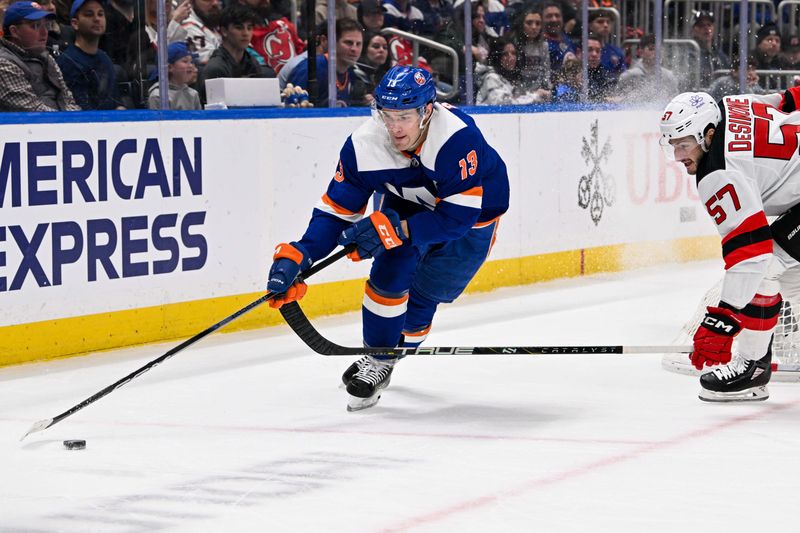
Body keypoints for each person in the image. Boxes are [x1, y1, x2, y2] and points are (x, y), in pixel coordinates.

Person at [266, 65, 509, 411]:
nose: (395, 128)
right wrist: (300, 255)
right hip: (406, 200)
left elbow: (456, 219)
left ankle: (395, 349)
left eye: (405, 117)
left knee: (428, 294)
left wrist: (398, 230)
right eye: (387, 115)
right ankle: (379, 358)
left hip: (474, 217)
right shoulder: (362, 146)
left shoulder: (456, 138)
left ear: (427, 111)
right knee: (390, 268)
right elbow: (336, 212)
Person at [658, 88, 800, 402]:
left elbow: (751, 253)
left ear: (708, 134)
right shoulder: (732, 104)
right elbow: (789, 99)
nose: (679, 156)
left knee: (767, 269)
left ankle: (751, 366)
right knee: (791, 280)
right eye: (673, 146)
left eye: (685, 145)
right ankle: (755, 366)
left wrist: (722, 319)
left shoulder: (719, 172)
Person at [0, 1, 80, 111]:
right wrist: (71, 121)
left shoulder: (47, 58)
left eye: (46, 25)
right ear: (14, 31)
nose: (44, 32)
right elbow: (34, 111)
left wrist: (76, 119)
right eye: (35, 26)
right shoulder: (3, 64)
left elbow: (67, 99)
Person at [56, 0, 123, 110]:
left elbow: (116, 102)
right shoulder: (67, 62)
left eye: (100, 14)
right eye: (89, 14)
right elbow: (80, 111)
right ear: (75, 23)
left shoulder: (104, 58)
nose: (97, 19)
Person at [287, 18, 364, 107]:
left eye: (358, 44)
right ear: (333, 43)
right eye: (348, 43)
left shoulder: (351, 73)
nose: (354, 49)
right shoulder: (311, 69)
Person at [476, 36, 542, 105]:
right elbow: (503, 104)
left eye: (513, 53)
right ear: (497, 57)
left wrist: (537, 94)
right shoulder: (491, 78)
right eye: (505, 54)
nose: (511, 58)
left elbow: (520, 98)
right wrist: (535, 96)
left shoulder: (513, 78)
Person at [616, 33, 678, 103]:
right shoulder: (628, 76)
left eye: (659, 49)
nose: (656, 53)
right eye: (651, 49)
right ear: (641, 51)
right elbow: (619, 101)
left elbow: (675, 102)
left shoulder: (669, 76)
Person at [509, 6, 551, 99]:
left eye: (538, 23)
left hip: (539, 91)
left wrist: (547, 89)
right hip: (519, 93)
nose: (534, 27)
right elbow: (513, 75)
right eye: (529, 23)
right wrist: (528, 94)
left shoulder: (544, 46)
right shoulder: (513, 45)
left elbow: (546, 72)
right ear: (521, 24)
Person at [147, 41, 201, 109]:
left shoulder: (193, 94)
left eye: (191, 61)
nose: (191, 65)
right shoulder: (158, 96)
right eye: (185, 61)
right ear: (169, 67)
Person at [687, 10, 729, 89]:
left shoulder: (720, 55)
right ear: (693, 30)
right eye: (701, 25)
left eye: (709, 25)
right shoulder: (688, 54)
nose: (706, 28)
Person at [173, 0, 222, 65]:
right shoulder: (189, 28)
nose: (215, 3)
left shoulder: (210, 20)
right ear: (191, 2)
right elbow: (212, 62)